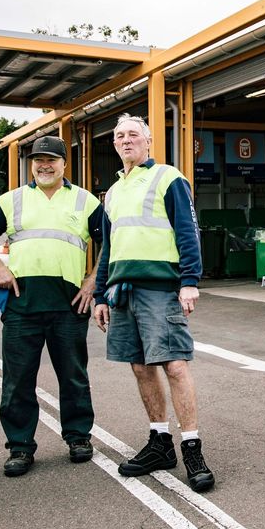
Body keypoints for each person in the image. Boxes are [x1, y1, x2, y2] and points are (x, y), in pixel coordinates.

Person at [0, 135, 104, 477]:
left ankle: (78, 437)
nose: (44, 165)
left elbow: (109, 241)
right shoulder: (12, 200)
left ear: (64, 164)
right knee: (17, 380)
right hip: (21, 305)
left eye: (51, 160)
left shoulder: (85, 202)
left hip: (69, 304)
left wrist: (93, 280)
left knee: (73, 376)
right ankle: (19, 446)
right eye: (38, 160)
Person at [92, 113, 213, 492]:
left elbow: (188, 231)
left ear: (148, 142)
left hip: (161, 288)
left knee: (174, 366)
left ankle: (192, 448)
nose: (125, 140)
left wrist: (189, 281)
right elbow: (108, 248)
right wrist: (100, 294)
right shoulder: (113, 193)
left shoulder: (168, 178)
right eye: (119, 136)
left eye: (133, 134)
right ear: (114, 145)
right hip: (122, 290)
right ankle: (160, 442)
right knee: (141, 367)